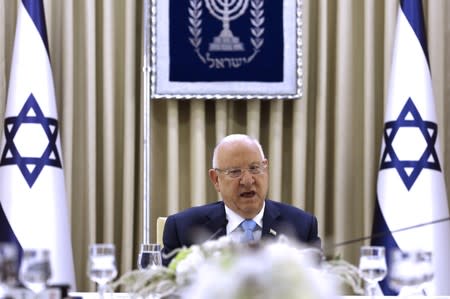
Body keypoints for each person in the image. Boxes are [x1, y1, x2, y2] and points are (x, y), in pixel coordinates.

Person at [161, 134, 321, 266]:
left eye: (254, 168)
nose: (247, 180)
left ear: (265, 169)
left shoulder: (302, 227)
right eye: (235, 172)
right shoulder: (182, 229)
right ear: (216, 179)